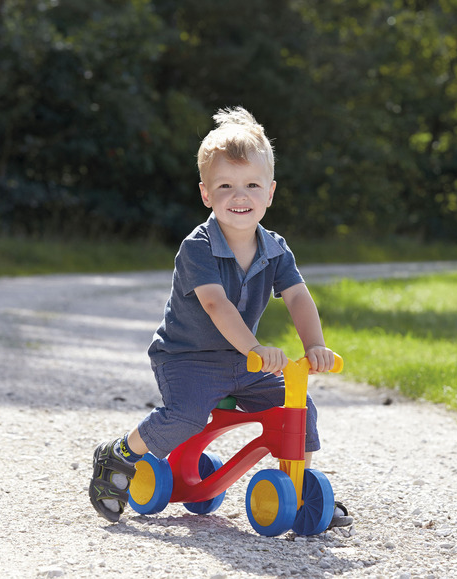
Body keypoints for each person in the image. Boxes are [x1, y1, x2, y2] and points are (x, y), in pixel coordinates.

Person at [88, 106, 352, 529]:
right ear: (206, 194)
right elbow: (216, 305)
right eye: (225, 186)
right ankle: (121, 453)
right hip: (188, 357)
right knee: (186, 416)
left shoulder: (276, 249)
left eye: (251, 185)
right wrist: (254, 347)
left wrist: (314, 345)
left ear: (270, 192)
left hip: (243, 363)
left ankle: (298, 486)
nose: (239, 196)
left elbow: (299, 297)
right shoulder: (198, 246)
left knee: (297, 405)